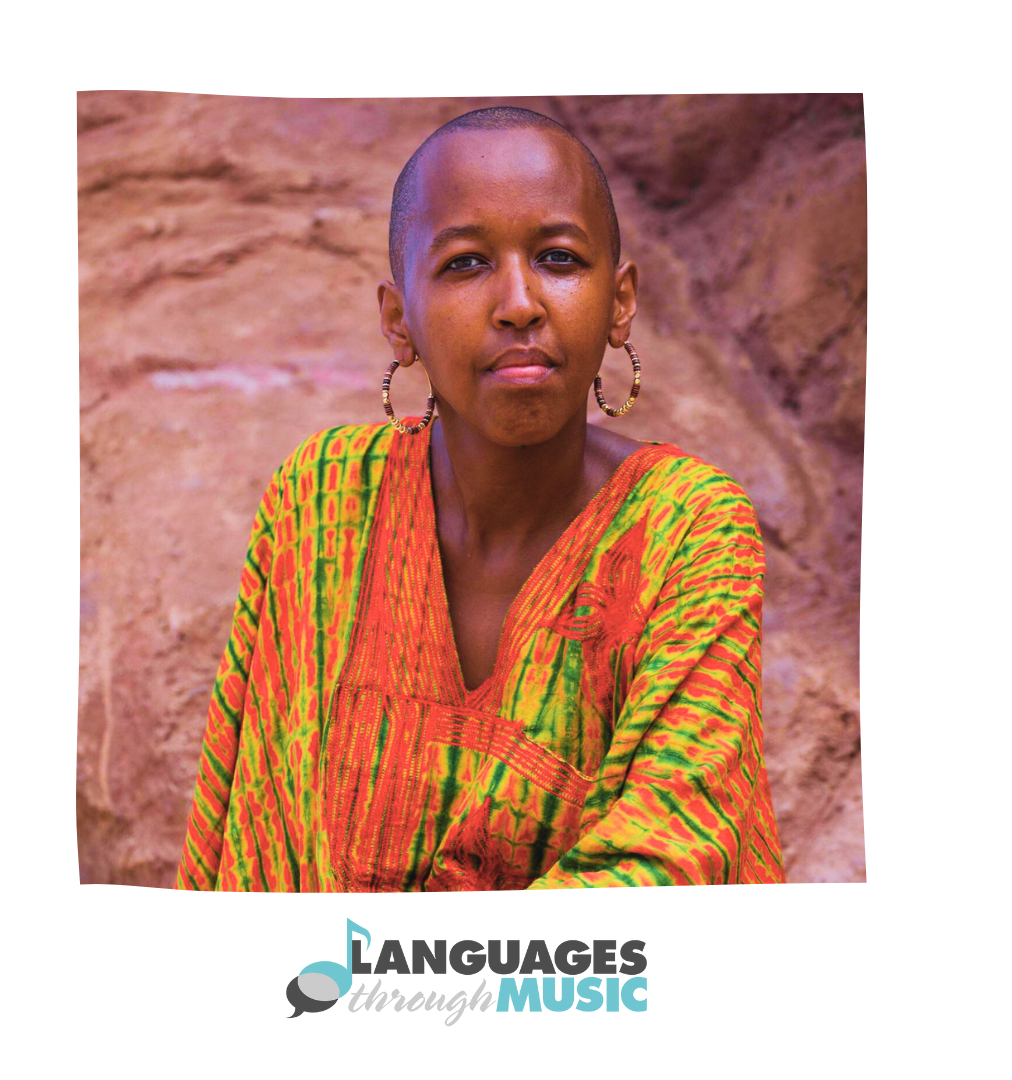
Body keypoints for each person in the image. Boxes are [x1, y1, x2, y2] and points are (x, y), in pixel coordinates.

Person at [174, 107, 785, 891]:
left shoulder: (686, 528)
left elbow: (669, 853)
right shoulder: (322, 501)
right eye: (465, 265)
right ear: (400, 323)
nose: (520, 303)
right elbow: (248, 833)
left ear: (621, 301)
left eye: (559, 258)